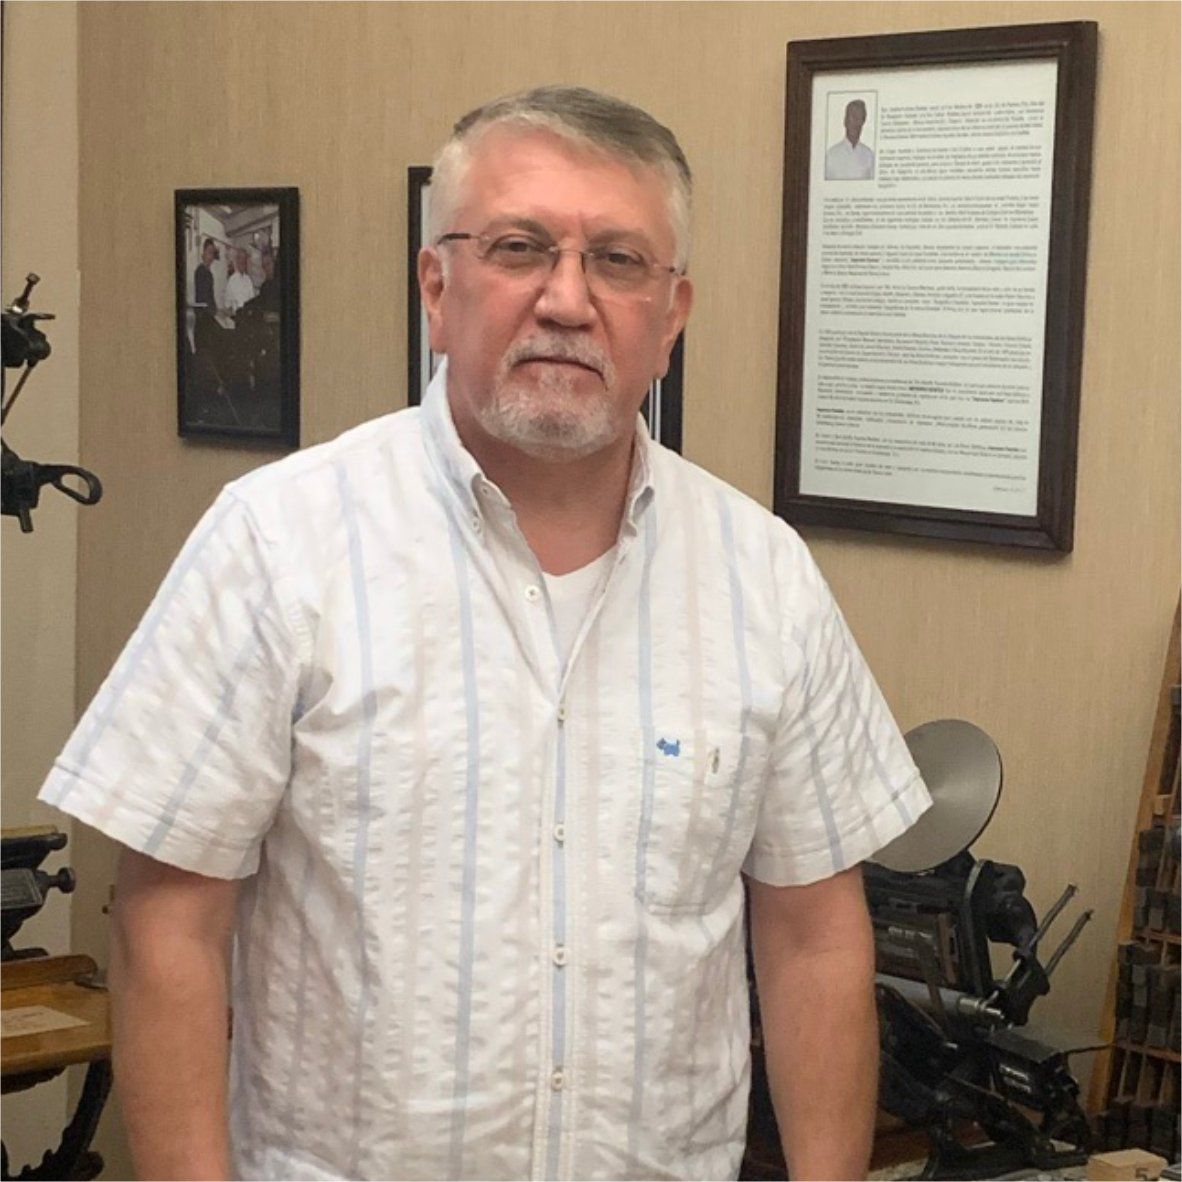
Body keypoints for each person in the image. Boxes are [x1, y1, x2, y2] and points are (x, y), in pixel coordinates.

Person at [39, 85, 929, 1181]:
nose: (568, 299)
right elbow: (166, 926)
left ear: (672, 315)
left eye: (618, 261)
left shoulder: (764, 577)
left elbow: (813, 937)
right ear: (436, 287)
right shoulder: (279, 544)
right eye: (519, 248)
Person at [825, 98, 876, 181]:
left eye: (859, 117)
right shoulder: (831, 155)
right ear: (845, 121)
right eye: (853, 116)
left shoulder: (869, 155)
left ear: (863, 122)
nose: (856, 122)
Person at [223, 246, 256, 314]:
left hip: (248, 315)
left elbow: (252, 300)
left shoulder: (249, 280)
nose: (243, 261)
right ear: (237, 260)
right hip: (237, 316)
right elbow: (227, 305)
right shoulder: (232, 280)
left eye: (244, 259)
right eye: (240, 258)